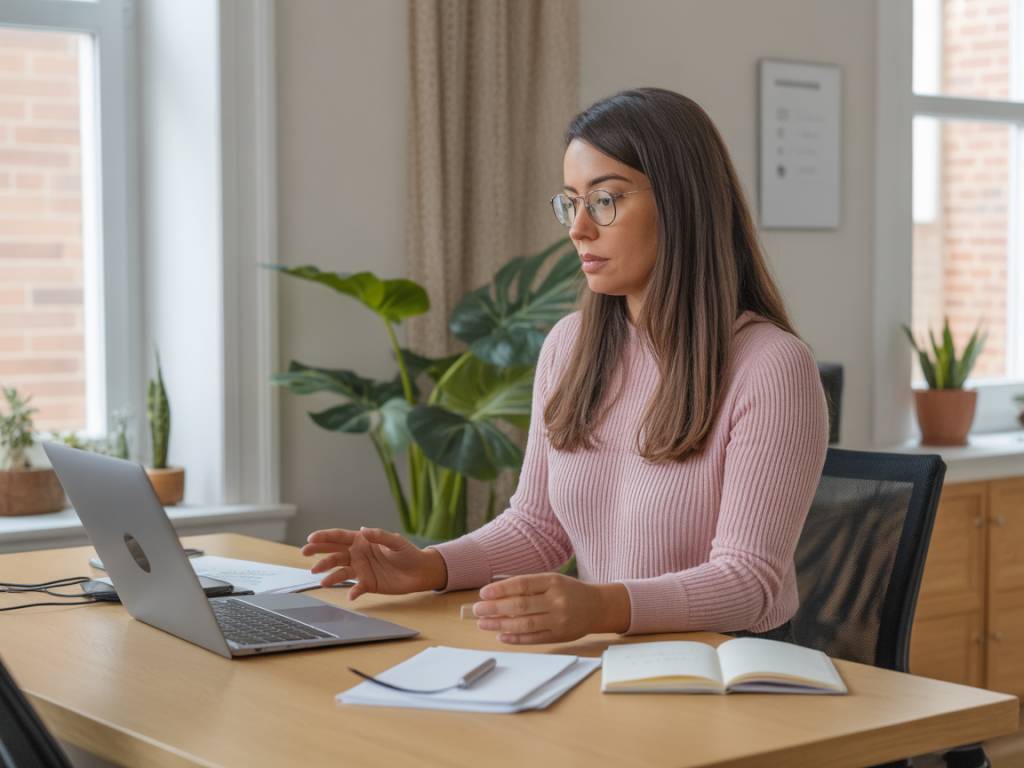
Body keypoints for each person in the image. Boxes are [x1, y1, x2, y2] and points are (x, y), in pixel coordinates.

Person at [301, 87, 828, 646]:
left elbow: (751, 584)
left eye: (605, 200)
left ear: (682, 202)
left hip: (721, 675)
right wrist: (429, 567)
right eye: (570, 202)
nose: (578, 228)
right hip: (611, 661)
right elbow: (538, 528)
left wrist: (601, 606)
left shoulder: (770, 366)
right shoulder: (569, 346)